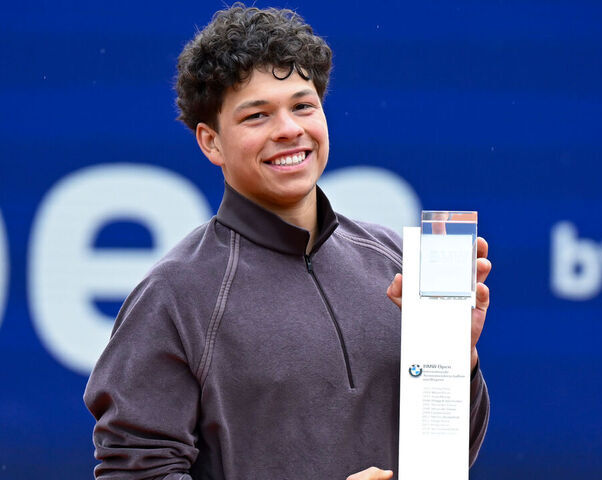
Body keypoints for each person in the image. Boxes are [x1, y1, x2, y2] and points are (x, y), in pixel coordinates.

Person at [84, 4, 491, 479]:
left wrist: (455, 362)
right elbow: (136, 472)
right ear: (210, 142)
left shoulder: (395, 264)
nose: (289, 130)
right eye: (257, 115)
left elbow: (447, 460)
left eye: (303, 106)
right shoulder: (174, 295)